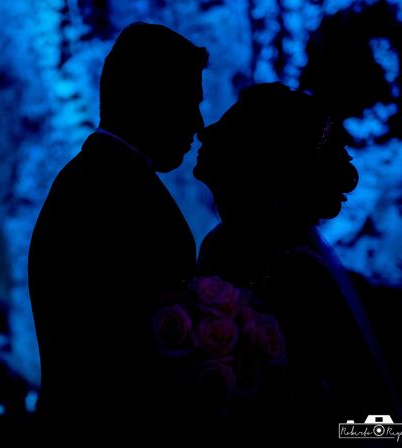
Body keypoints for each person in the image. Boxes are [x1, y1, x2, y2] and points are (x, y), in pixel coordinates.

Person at [28, 22, 208, 434]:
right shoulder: (111, 191)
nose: (198, 124)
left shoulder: (93, 179)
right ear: (151, 98)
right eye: (188, 102)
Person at [194, 83, 399, 442]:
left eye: (233, 134)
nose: (208, 136)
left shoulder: (304, 273)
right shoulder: (220, 245)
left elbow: (376, 419)